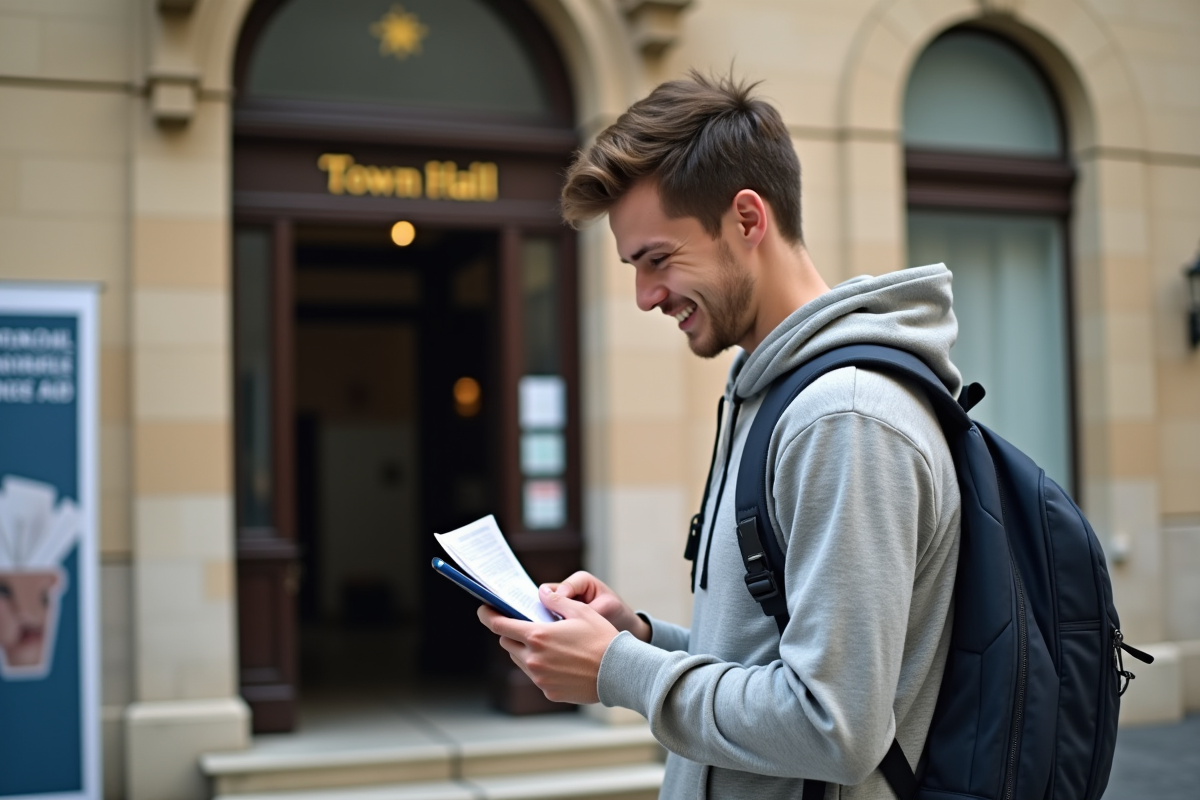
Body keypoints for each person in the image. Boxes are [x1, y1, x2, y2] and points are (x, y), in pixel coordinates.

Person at [478, 72, 962, 800]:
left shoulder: (843, 417)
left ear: (746, 219)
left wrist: (618, 670)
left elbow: (834, 726)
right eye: (634, 268)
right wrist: (638, 638)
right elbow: (767, 665)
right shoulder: (771, 392)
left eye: (658, 259)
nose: (645, 297)